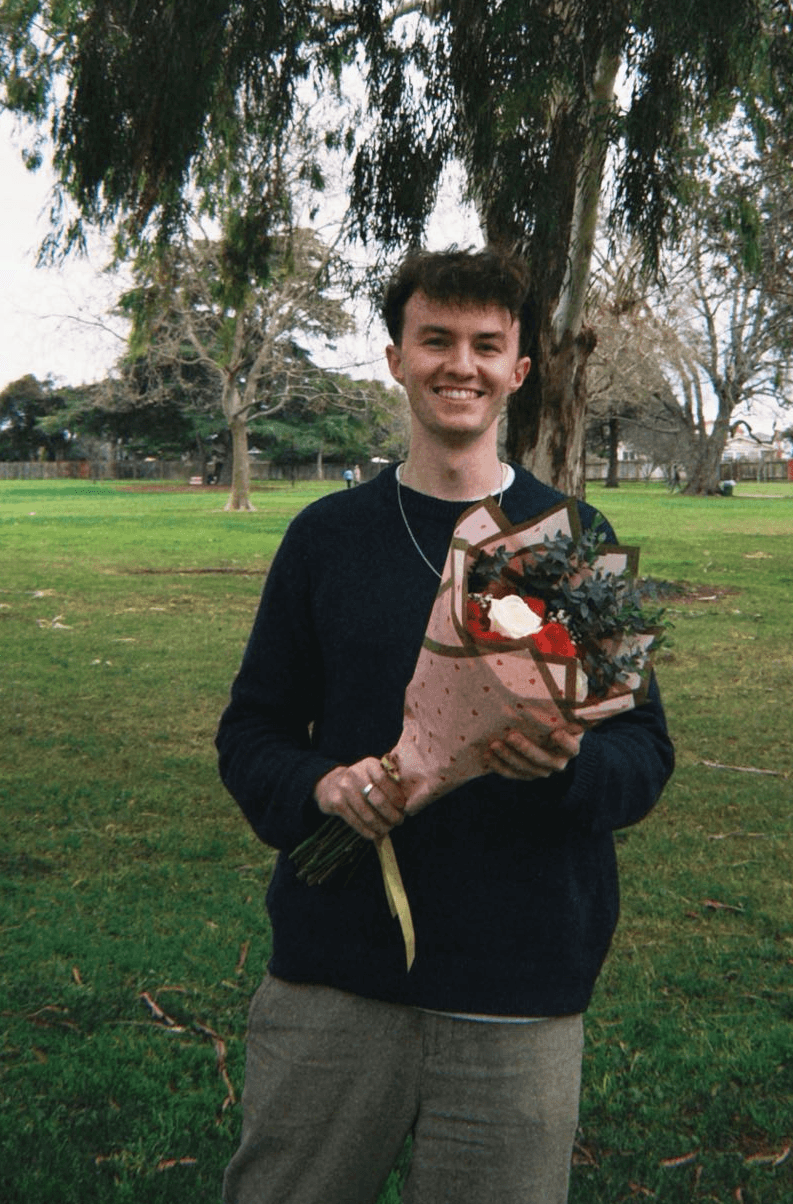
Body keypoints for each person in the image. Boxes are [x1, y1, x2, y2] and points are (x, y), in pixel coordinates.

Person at [215, 247, 674, 1204]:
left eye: (484, 344)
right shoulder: (326, 538)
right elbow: (251, 733)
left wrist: (567, 766)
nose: (459, 363)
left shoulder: (572, 543)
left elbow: (644, 753)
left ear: (520, 369)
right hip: (335, 982)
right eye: (435, 340)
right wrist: (321, 787)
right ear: (396, 358)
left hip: (520, 983)